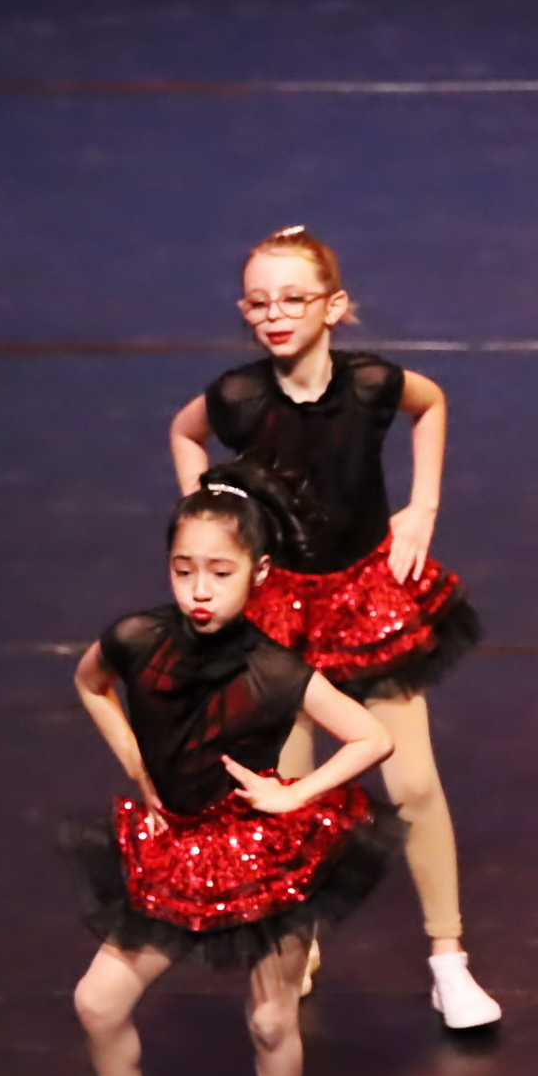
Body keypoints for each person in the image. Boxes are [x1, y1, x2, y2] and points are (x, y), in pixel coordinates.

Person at [167, 225, 499, 1031]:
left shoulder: (374, 384)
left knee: (411, 781)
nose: (275, 315)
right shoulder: (239, 397)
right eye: (259, 303)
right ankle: (299, 937)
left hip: (365, 599)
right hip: (278, 607)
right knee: (287, 790)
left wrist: (423, 505)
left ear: (334, 306)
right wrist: (209, 521)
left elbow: (432, 403)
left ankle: (448, 959)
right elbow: (184, 433)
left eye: (293, 299)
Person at [56, 480, 403, 1076]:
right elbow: (90, 684)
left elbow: (373, 736)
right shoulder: (136, 638)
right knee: (97, 1002)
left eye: (220, 572)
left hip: (259, 854)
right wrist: (136, 762)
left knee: (272, 1019)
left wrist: (295, 795)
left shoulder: (275, 671)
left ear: (259, 573)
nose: (200, 591)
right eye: (183, 570)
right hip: (172, 845)